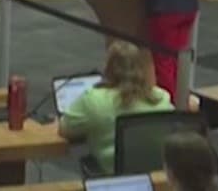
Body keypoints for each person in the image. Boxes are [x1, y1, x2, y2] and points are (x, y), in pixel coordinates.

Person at [58, 40, 174, 175]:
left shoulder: (94, 100)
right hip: (156, 177)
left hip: (113, 178)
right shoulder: (161, 98)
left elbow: (65, 129)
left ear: (108, 68)